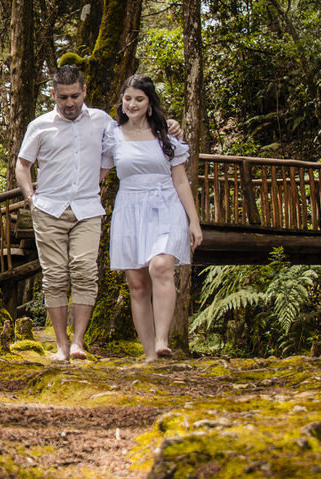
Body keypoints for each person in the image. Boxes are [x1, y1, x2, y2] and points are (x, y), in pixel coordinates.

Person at [14, 65, 180, 362]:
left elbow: (135, 131)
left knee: (85, 273)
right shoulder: (39, 125)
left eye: (75, 96)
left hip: (87, 209)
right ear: (53, 94)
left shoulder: (103, 122)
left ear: (84, 91)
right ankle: (61, 346)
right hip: (49, 208)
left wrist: (171, 126)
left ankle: (78, 342)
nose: (69, 103)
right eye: (63, 97)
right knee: (54, 277)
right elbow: (22, 164)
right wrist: (31, 199)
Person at [99, 74, 203, 362]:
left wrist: (194, 222)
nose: (132, 104)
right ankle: (149, 356)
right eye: (128, 98)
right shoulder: (113, 136)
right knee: (137, 284)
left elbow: (181, 181)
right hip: (129, 209)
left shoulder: (166, 137)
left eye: (139, 99)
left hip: (165, 205)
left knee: (161, 265)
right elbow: (99, 176)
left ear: (149, 104)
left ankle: (161, 339)